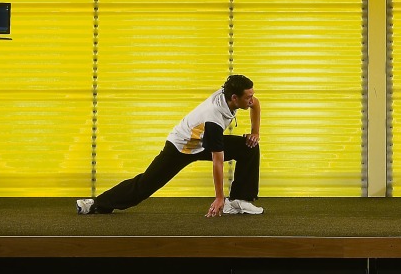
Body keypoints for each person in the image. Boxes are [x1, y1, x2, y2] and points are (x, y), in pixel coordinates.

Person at [76, 74, 264, 218]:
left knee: (249, 147)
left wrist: (255, 132)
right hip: (181, 146)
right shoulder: (213, 117)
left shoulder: (237, 97)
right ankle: (94, 204)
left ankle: (239, 200)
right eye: (248, 97)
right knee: (146, 184)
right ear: (234, 98)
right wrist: (219, 197)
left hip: (202, 140)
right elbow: (218, 161)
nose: (251, 99)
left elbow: (256, 105)